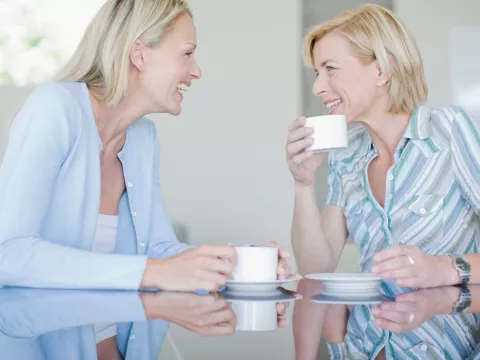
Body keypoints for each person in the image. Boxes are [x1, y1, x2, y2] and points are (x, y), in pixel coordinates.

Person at [0, 0, 295, 315]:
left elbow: (159, 251)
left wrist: (244, 266)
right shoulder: (55, 108)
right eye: (187, 53)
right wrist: (152, 272)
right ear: (139, 54)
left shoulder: (142, 137)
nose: (196, 70)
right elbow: (8, 254)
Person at [288, 4, 480, 289]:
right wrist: (302, 184)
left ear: (382, 70)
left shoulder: (451, 131)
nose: (318, 87)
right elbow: (316, 267)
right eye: (317, 72)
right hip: (364, 332)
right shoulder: (346, 152)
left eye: (330, 69)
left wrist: (442, 269)